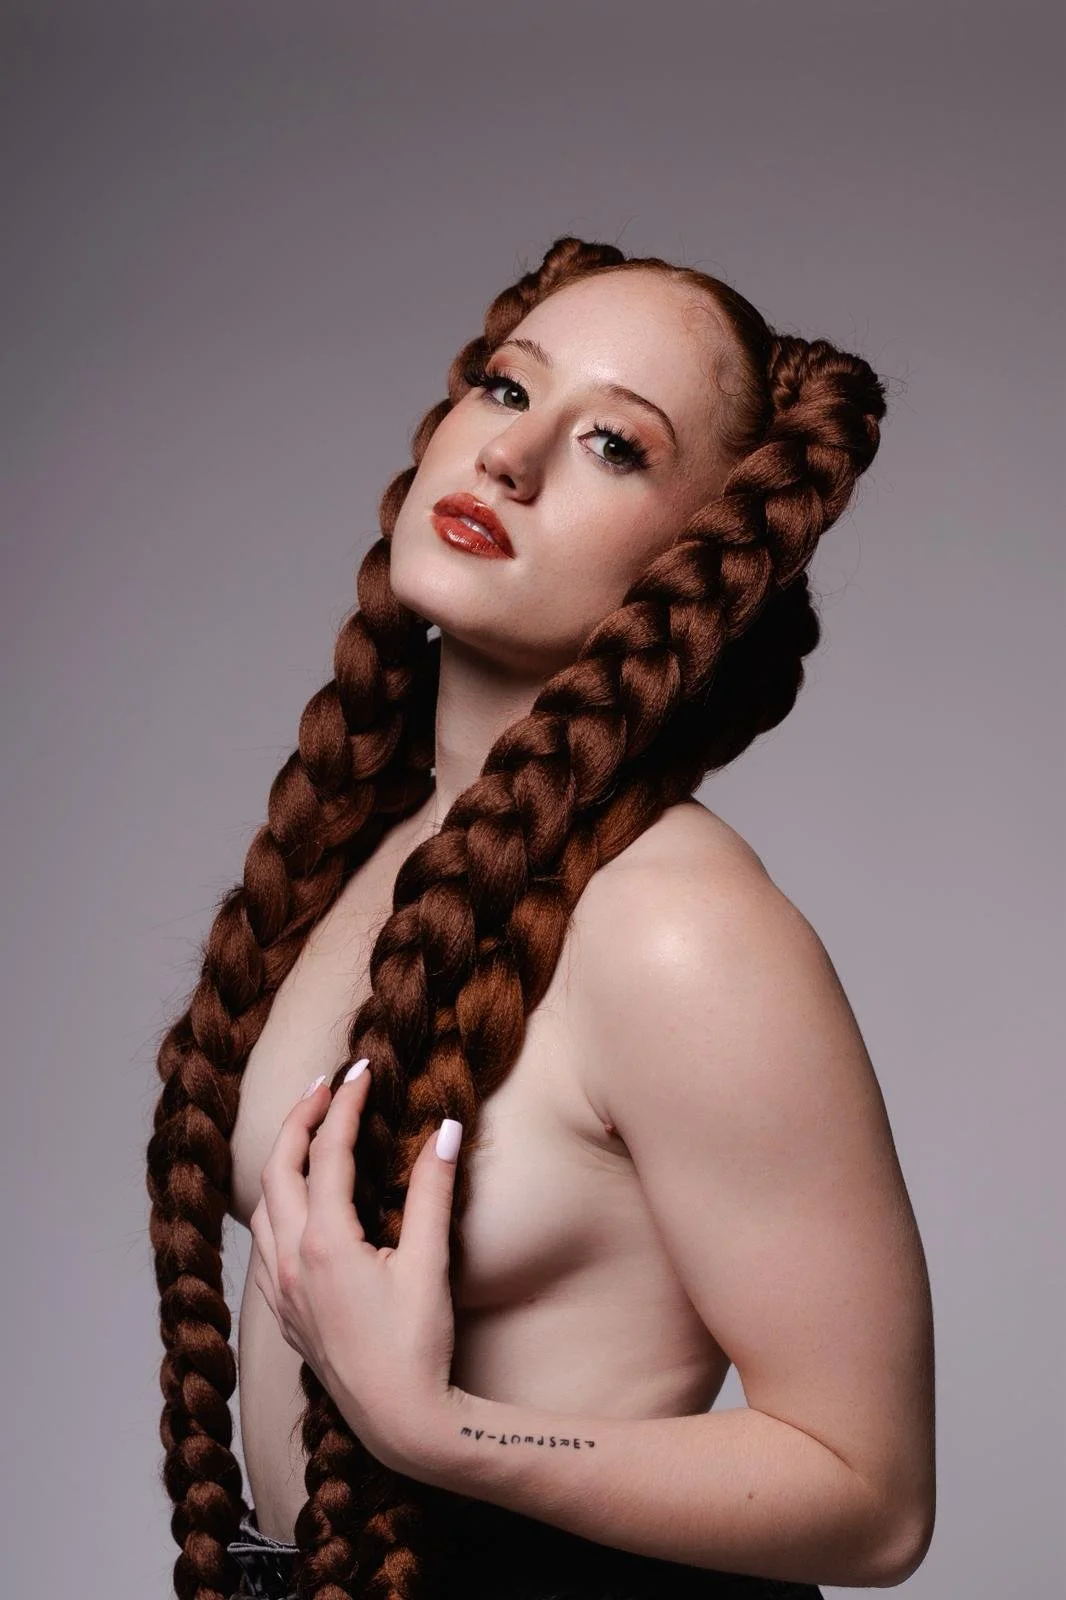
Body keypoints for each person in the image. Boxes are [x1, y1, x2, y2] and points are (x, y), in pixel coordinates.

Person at [146, 235, 935, 1600]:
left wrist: (438, 1432)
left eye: (616, 446)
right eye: (509, 392)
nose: (510, 457)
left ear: (699, 560)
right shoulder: (358, 851)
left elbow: (870, 1501)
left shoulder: (679, 930)